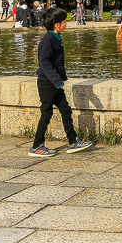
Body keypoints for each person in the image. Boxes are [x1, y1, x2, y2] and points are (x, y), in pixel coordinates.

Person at [29, 8, 94, 157]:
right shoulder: (48, 40)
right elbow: (44, 63)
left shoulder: (56, 37)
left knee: (65, 110)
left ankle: (73, 141)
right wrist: (57, 81)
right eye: (65, 21)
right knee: (46, 113)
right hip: (48, 83)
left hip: (54, 83)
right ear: (57, 25)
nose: (67, 23)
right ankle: (36, 146)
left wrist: (59, 80)